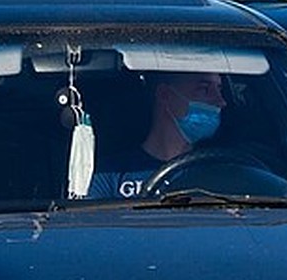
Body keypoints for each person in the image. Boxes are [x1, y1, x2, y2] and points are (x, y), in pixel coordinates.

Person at [88, 71, 227, 199]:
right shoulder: (110, 174)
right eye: (204, 89)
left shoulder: (224, 172)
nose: (221, 101)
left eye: (219, 89)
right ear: (165, 95)